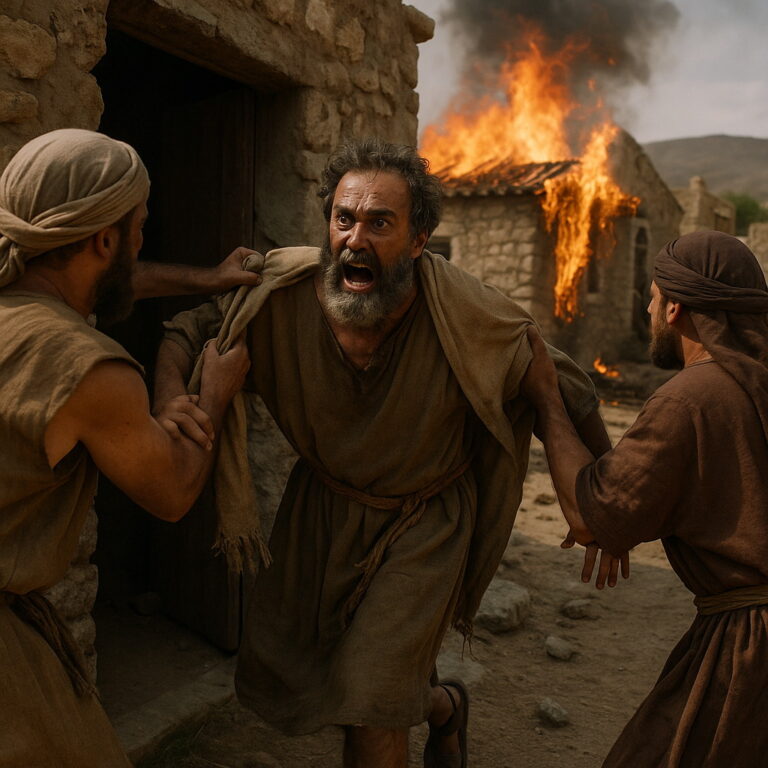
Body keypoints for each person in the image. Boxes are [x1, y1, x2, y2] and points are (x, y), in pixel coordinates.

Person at [154, 137, 619, 768]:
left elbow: (569, 391)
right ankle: (444, 706)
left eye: (380, 223)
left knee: (369, 707)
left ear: (419, 240)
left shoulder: (468, 316)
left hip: (424, 527)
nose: (354, 239)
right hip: (320, 513)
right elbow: (189, 331)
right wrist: (169, 397)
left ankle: (416, 705)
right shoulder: (279, 296)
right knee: (309, 676)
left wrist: (611, 506)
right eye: (344, 219)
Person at [0, 128, 254, 766]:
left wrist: (209, 277)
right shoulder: (89, 369)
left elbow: (115, 280)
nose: (144, 239)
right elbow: (171, 492)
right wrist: (214, 392)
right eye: (139, 227)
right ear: (105, 240)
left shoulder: (18, 294)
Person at [521, 230, 768, 767]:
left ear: (676, 307)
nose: (648, 305)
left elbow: (590, 519)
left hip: (751, 651)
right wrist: (618, 510)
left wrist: (546, 399)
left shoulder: (690, 399)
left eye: (654, 295)